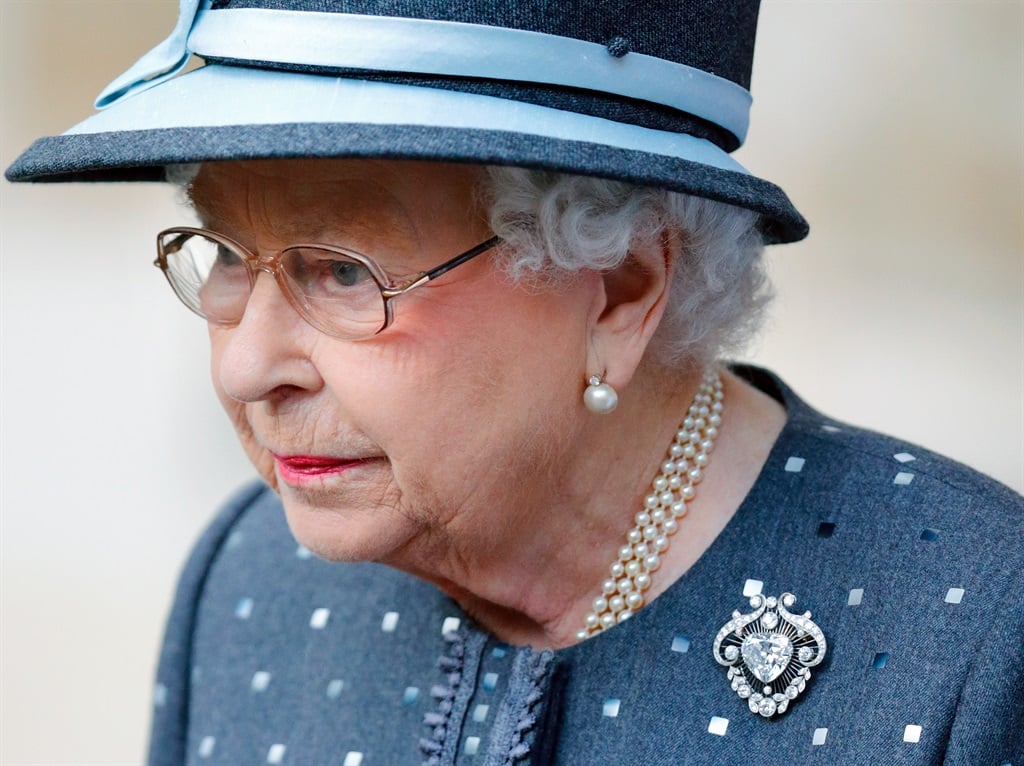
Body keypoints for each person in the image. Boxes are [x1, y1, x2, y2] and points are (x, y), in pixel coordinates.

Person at [5, 1, 1021, 764]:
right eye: (225, 250)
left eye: (344, 271)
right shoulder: (250, 582)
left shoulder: (968, 632)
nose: (241, 366)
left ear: (619, 288)